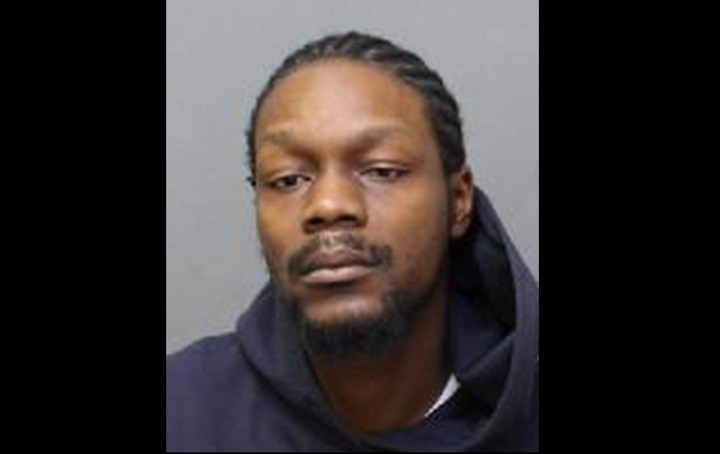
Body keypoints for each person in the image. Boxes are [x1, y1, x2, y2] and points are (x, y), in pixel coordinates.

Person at [166, 31, 539, 452]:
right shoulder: (182, 413)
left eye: (381, 170)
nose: (328, 205)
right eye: (288, 179)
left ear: (458, 200)